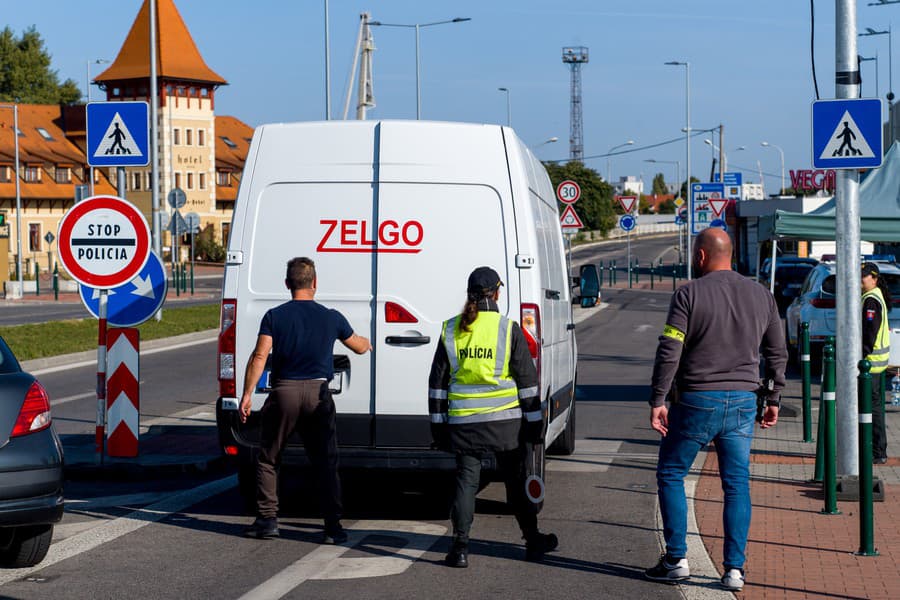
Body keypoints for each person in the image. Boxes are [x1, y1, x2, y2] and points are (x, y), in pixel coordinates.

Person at [644, 228, 786, 592]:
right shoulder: (761, 295)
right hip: (742, 401)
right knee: (737, 484)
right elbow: (776, 352)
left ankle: (676, 559)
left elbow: (669, 348)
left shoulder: (687, 294)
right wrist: (773, 398)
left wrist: (658, 399)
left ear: (702, 256)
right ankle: (734, 570)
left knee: (672, 472)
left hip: (696, 401)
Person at [428, 266, 558, 568]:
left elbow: (437, 384)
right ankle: (532, 540)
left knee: (466, 483)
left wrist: (438, 427)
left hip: (464, 425)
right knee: (516, 481)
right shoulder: (507, 328)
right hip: (506, 425)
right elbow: (527, 381)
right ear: (497, 293)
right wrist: (534, 422)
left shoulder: (451, 329)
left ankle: (460, 548)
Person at [240, 257, 372, 542]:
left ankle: (268, 520)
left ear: (288, 284)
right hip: (318, 395)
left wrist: (247, 394)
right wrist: (366, 342)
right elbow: (358, 347)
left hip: (284, 392)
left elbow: (260, 355)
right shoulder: (331, 316)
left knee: (268, 458)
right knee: (325, 460)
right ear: (314, 283)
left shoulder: (274, 316)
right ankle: (332, 527)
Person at [861, 261, 892, 464]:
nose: (860, 279)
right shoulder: (874, 295)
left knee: (870, 408)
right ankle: (875, 449)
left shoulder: (871, 300)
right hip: (876, 362)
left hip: (870, 363)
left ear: (874, 278)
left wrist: (863, 354)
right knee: (874, 406)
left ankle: (877, 451)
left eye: (864, 276)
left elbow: (870, 331)